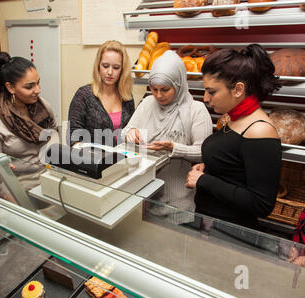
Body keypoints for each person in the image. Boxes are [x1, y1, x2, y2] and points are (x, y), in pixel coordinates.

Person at [185, 44, 282, 230]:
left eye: (212, 91)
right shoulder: (234, 118)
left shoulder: (260, 131)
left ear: (238, 89)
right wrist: (211, 168)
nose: (205, 98)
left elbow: (261, 204)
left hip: (230, 234)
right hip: (210, 226)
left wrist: (204, 180)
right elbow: (235, 167)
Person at [122, 50, 212, 212]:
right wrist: (130, 134)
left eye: (165, 89)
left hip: (178, 203)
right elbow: (126, 131)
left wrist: (173, 148)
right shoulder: (147, 103)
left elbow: (203, 153)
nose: (158, 95)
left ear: (179, 84)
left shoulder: (196, 110)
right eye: (154, 89)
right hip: (143, 196)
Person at [0, 52, 57, 192]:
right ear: (10, 87)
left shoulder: (42, 106)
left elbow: (54, 133)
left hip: (49, 180)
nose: (37, 90)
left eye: (38, 83)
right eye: (29, 87)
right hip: (18, 190)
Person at [67, 40, 134, 147]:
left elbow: (130, 130)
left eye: (116, 67)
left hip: (121, 160)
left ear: (122, 70)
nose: (110, 72)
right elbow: (73, 137)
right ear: (98, 66)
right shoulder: (83, 95)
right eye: (105, 66)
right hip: (91, 160)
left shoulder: (127, 97)